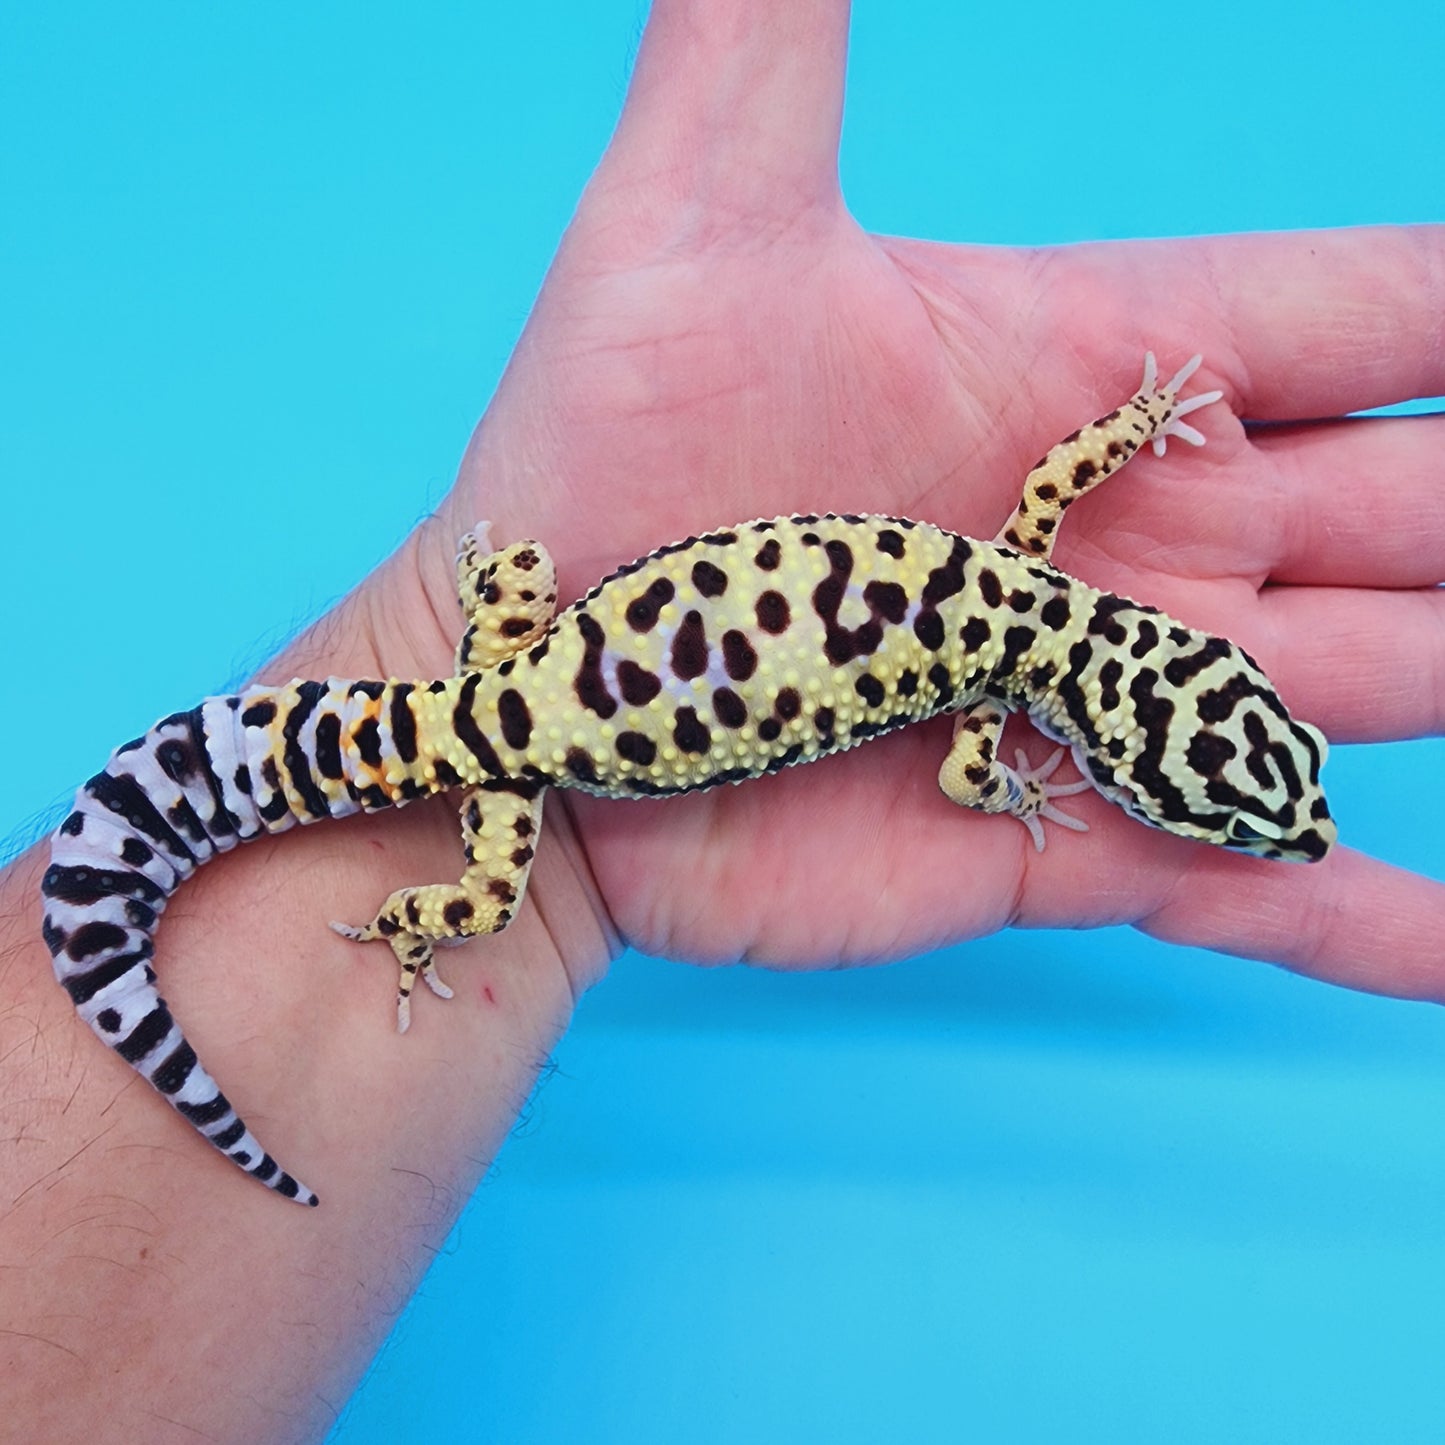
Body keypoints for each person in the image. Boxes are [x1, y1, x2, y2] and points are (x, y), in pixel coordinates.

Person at [2, 0, 1441, 1437]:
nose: (1280, 820)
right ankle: (407, 917)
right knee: (484, 886)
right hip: (516, 742)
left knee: (480, 859)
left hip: (518, 657)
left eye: (1254, 794)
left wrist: (1134, 426)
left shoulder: (1025, 573)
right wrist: (1007, 795)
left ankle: (380, 896)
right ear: (1128, 748)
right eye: (1246, 799)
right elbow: (962, 766)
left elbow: (1062, 475)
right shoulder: (1002, 690)